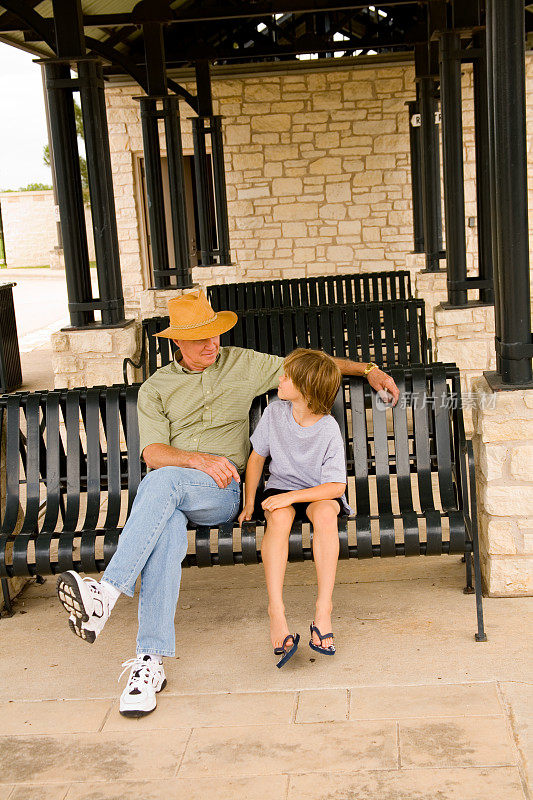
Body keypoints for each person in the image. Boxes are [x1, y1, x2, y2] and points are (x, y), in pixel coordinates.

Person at [55, 290, 399, 717]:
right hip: (177, 488)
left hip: (221, 492)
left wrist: (368, 369)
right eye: (199, 338)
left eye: (215, 334)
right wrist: (197, 460)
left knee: (161, 487)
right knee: (165, 514)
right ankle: (150, 662)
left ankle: (105, 593)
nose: (212, 344)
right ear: (176, 342)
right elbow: (154, 454)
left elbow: (311, 369)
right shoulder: (157, 388)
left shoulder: (242, 363)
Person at [238, 349, 351, 667]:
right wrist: (250, 502)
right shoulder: (274, 413)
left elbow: (336, 487)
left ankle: (323, 611)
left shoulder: (328, 428)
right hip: (281, 489)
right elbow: (257, 457)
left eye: (287, 376)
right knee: (277, 518)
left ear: (306, 387)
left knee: (327, 514)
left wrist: (293, 497)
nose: (280, 378)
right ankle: (276, 612)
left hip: (318, 491)